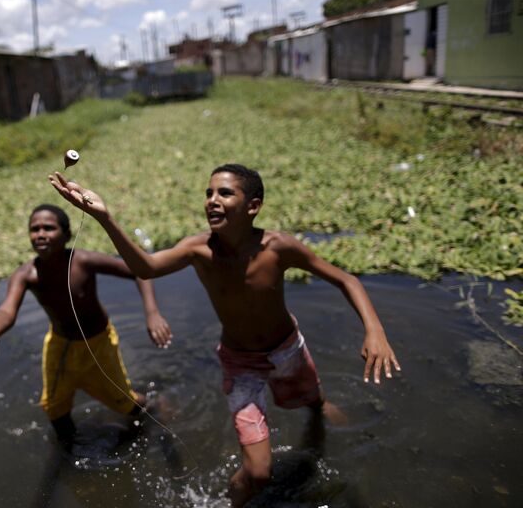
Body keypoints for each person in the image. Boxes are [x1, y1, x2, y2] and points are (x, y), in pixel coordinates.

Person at [49, 164, 401, 507]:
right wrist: (104, 217)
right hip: (241, 364)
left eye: (224, 193)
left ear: (253, 206)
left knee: (311, 402)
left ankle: (321, 409)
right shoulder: (199, 250)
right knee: (259, 473)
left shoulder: (278, 248)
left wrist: (375, 330)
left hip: (286, 349)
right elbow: (146, 267)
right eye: (209, 193)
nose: (212, 200)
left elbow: (347, 279)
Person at [0, 204, 172, 448]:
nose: (40, 234)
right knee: (55, 408)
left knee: (124, 402)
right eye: (34, 229)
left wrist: (152, 312)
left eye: (49, 228)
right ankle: (70, 451)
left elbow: (138, 270)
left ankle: (156, 406)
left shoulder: (83, 261)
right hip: (60, 348)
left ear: (67, 235)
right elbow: (7, 309)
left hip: (99, 345)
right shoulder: (27, 274)